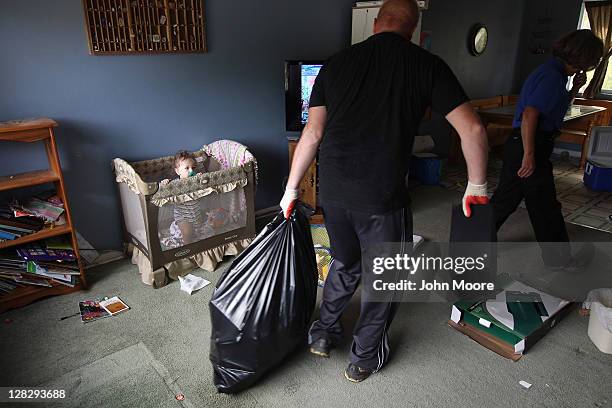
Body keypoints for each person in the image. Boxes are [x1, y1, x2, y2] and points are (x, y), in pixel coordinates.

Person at [279, 0, 489, 383]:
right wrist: (476, 185)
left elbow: (312, 133)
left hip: (335, 191)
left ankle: (324, 333)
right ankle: (363, 358)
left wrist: (292, 189)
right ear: (413, 27)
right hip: (381, 196)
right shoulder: (426, 65)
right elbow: (472, 129)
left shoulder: (336, 64)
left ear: (376, 23)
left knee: (344, 261)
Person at [490, 29, 603, 267]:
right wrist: (530, 156)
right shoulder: (552, 76)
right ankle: (560, 260)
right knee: (545, 208)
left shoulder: (555, 73)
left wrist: (574, 90)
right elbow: (530, 115)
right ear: (583, 58)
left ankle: (470, 243)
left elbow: (555, 109)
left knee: (505, 201)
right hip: (529, 146)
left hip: (522, 144)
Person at [162, 151, 205, 244]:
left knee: (199, 232)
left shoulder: (196, 181)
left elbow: (204, 189)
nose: (191, 171)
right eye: (187, 168)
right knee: (187, 234)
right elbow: (165, 191)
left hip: (196, 214)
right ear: (177, 171)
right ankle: (188, 249)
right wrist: (165, 183)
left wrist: (201, 179)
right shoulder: (175, 184)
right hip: (182, 216)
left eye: (193, 168)